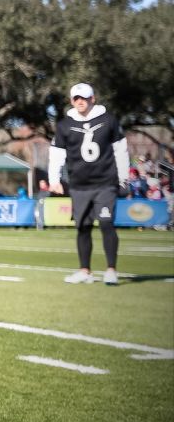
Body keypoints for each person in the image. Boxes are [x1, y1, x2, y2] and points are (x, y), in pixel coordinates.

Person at [48, 82, 129, 285]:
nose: (80, 102)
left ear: (93, 99)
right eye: (76, 98)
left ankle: (111, 269)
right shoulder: (64, 125)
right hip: (79, 185)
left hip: (105, 182)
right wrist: (54, 180)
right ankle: (85, 271)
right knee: (82, 227)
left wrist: (123, 178)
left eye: (83, 98)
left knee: (105, 223)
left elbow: (121, 150)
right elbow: (56, 154)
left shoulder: (108, 120)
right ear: (71, 101)